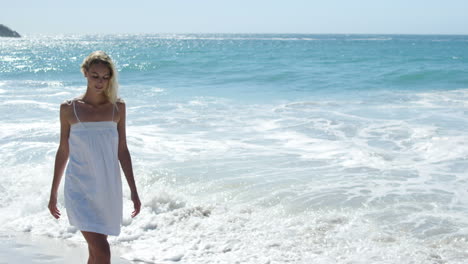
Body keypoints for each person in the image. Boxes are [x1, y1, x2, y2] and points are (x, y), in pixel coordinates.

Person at [48, 51, 141, 264]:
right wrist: (53, 193)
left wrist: (134, 191)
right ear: (85, 73)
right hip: (79, 187)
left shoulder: (118, 107)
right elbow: (63, 151)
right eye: (95, 75)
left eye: (105, 76)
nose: (100, 81)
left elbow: (122, 150)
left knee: (95, 254)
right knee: (103, 252)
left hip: (107, 188)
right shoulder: (69, 109)